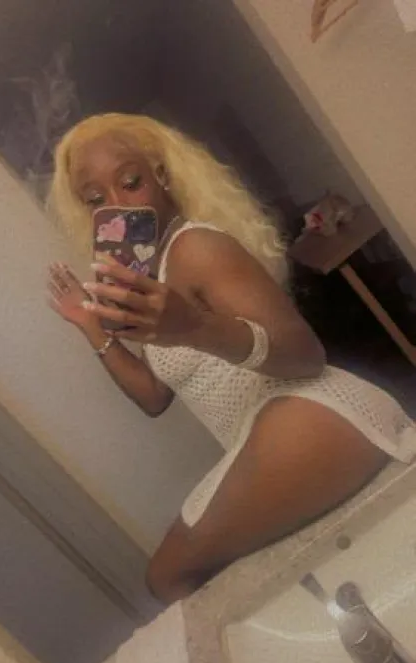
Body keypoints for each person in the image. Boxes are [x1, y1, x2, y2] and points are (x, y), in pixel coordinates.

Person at [48, 113, 416, 604]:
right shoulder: (153, 275)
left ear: (161, 174)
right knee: (175, 578)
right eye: (96, 199)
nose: (118, 204)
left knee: (167, 577)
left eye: (130, 182)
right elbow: (154, 396)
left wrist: (194, 327)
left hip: (306, 412)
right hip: (262, 435)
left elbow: (305, 356)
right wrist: (89, 323)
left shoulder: (196, 247)